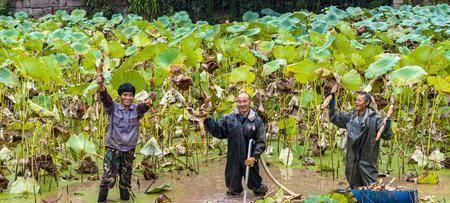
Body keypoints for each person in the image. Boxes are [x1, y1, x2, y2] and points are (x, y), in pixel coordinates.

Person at [96, 73, 153, 202]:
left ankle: (125, 200)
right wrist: (101, 86)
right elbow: (105, 97)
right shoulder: (113, 107)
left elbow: (144, 107)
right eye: (125, 95)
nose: (128, 97)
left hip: (129, 151)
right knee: (107, 179)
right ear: (120, 96)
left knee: (125, 181)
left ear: (133, 96)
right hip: (113, 150)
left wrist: (149, 102)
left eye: (130, 95)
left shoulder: (136, 109)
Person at [201, 91, 268, 196]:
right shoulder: (229, 118)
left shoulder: (257, 121)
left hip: (249, 158)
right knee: (232, 189)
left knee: (256, 186)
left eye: (244, 101)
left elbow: (261, 141)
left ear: (249, 102)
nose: (242, 104)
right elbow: (218, 131)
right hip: (233, 158)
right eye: (239, 101)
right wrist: (207, 118)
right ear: (237, 102)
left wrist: (254, 157)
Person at [327, 84, 392, 188]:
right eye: (356, 100)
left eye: (359, 101)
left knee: (371, 186)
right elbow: (335, 117)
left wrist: (387, 126)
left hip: (367, 160)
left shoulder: (375, 119)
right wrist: (332, 101)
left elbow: (387, 136)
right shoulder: (351, 117)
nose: (356, 103)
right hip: (352, 160)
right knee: (354, 185)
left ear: (366, 103)